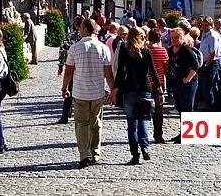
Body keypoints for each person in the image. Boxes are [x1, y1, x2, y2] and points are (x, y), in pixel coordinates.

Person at [62, 18, 115, 169]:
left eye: (80, 28)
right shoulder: (103, 48)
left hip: (80, 92)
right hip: (97, 92)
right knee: (96, 123)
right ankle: (95, 152)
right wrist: (112, 91)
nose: (79, 31)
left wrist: (64, 88)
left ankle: (84, 155)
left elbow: (68, 71)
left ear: (85, 29)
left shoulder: (75, 48)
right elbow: (109, 74)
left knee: (81, 124)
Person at [111, 26, 162, 165]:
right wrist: (159, 89)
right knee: (143, 120)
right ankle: (145, 147)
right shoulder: (146, 51)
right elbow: (153, 72)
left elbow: (120, 72)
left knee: (132, 123)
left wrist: (115, 90)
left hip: (129, 89)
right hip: (145, 88)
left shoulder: (125, 51)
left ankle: (135, 154)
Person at [166, 27, 201, 143]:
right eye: (172, 38)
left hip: (188, 83)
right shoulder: (170, 50)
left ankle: (188, 134)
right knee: (180, 108)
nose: (174, 40)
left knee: (187, 109)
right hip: (176, 83)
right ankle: (183, 132)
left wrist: (188, 78)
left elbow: (195, 65)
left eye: (176, 38)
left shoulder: (186, 49)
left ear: (182, 38)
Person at [57, 16, 84, 124]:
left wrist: (60, 65)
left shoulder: (70, 36)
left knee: (70, 90)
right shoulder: (87, 37)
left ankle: (65, 115)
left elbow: (62, 50)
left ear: (75, 25)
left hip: (72, 67)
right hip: (83, 68)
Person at [146, 29, 169, 143]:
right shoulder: (162, 51)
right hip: (158, 84)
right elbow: (166, 67)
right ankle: (158, 135)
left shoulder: (145, 50)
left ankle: (143, 134)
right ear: (160, 38)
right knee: (159, 111)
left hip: (146, 83)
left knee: (144, 110)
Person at [197, 17, 221, 111]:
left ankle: (210, 108)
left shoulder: (212, 36)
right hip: (205, 63)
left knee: (208, 87)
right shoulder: (204, 33)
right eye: (203, 25)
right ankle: (210, 106)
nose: (203, 27)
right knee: (206, 87)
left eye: (206, 25)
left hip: (210, 64)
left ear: (211, 25)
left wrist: (206, 65)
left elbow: (213, 52)